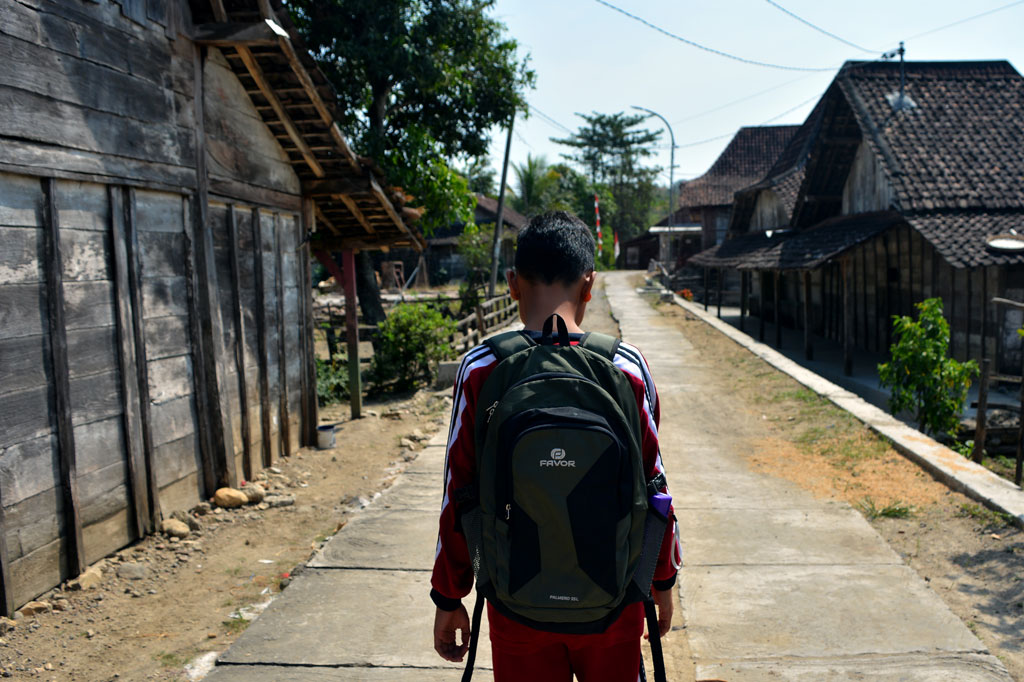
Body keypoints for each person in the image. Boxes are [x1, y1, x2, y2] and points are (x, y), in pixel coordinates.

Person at [430, 210, 679, 681]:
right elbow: (656, 487)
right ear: (589, 285)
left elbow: (458, 492)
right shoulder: (626, 366)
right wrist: (661, 580)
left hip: (514, 604)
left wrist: (449, 596)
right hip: (616, 603)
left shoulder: (481, 367)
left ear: (511, 283)